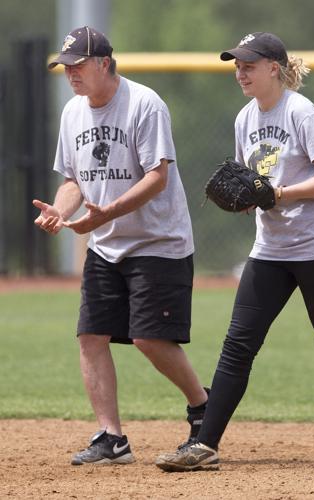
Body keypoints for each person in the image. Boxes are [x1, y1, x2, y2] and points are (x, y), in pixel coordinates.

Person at [155, 32, 314, 472]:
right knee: (238, 344)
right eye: (236, 66)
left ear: (273, 68)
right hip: (271, 249)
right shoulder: (244, 118)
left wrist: (282, 192)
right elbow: (256, 185)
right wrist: (247, 199)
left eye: (248, 65)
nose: (240, 73)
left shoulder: (301, 111)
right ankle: (204, 445)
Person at [33, 26, 209, 466]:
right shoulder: (73, 112)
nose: (70, 72)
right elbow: (72, 179)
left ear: (104, 63)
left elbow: (157, 176)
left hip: (157, 241)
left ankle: (203, 406)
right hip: (106, 244)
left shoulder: (144, 104)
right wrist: (59, 210)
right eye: (65, 66)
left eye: (78, 64)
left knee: (149, 338)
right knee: (91, 335)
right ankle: (112, 438)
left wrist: (105, 214)